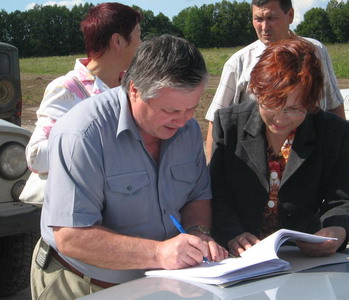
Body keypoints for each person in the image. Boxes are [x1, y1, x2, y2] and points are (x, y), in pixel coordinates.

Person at [30, 34, 228, 299]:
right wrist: (159, 253)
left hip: (159, 283)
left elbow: (197, 196)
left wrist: (198, 233)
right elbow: (71, 236)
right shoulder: (82, 133)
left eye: (191, 109)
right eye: (170, 110)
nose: (182, 122)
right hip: (82, 283)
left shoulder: (188, 130)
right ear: (134, 90)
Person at [210, 37, 349, 258]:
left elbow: (342, 198)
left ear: (311, 103)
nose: (280, 119)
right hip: (239, 255)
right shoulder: (229, 125)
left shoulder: (333, 131)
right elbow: (217, 193)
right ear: (256, 91)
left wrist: (336, 230)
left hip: (304, 255)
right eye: (271, 104)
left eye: (294, 109)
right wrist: (232, 233)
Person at [205, 0, 345, 161]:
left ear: (290, 15)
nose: (264, 27)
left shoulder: (317, 52)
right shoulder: (238, 64)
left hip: (314, 161)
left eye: (271, 18)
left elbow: (334, 105)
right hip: (257, 166)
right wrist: (212, 175)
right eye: (258, 19)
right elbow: (215, 122)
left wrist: (341, 158)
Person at [25, 3, 142, 173]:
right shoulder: (67, 89)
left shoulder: (134, 87)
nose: (142, 44)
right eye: (139, 35)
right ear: (118, 41)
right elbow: (36, 158)